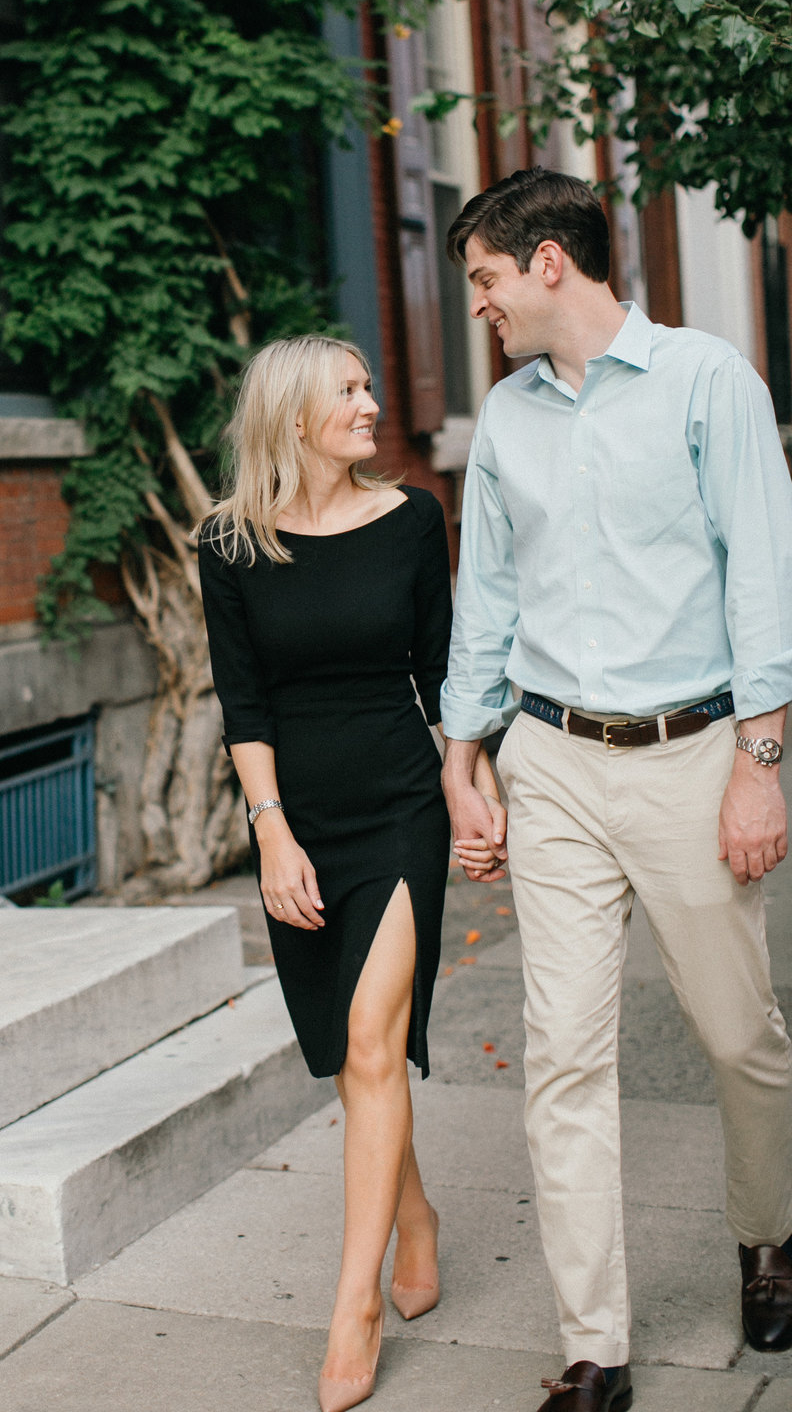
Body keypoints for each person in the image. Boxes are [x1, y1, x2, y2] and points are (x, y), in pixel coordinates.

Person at [440, 167, 792, 1412]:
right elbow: (485, 600)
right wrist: (463, 761)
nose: (477, 306)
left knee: (739, 1036)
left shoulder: (709, 382)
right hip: (551, 767)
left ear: (547, 265)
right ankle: (597, 1349)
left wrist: (760, 768)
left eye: (483, 280)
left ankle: (770, 1235)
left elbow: (763, 577)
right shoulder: (506, 424)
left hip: (696, 757)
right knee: (564, 1060)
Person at [198, 333, 502, 1412]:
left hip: (397, 813)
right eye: (352, 391)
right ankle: (413, 1215)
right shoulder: (229, 543)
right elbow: (247, 704)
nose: (375, 404)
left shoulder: (413, 519)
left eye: (372, 384)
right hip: (300, 821)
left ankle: (353, 1304)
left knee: (372, 1040)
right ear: (292, 419)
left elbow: (442, 668)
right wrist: (271, 835)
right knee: (350, 1056)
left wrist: (470, 781)